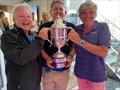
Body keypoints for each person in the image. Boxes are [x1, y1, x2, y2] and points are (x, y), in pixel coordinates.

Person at [1, 3, 48, 90]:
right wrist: (40, 39)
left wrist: (47, 62)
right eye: (21, 16)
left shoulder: (32, 35)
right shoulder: (7, 36)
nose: (26, 19)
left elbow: (34, 57)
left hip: (35, 84)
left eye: (28, 16)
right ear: (14, 19)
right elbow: (21, 58)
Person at [68, 1, 111, 90]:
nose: (87, 15)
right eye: (83, 13)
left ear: (95, 14)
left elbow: (103, 52)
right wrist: (70, 55)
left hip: (97, 74)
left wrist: (80, 41)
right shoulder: (78, 28)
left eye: (91, 12)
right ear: (79, 16)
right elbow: (75, 46)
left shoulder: (102, 27)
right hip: (80, 72)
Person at [39, 1, 76, 90]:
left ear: (65, 13)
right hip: (48, 69)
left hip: (64, 70)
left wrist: (70, 56)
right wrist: (47, 58)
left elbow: (75, 45)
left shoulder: (71, 27)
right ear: (51, 12)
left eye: (61, 9)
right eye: (55, 9)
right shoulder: (44, 27)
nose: (58, 11)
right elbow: (39, 47)